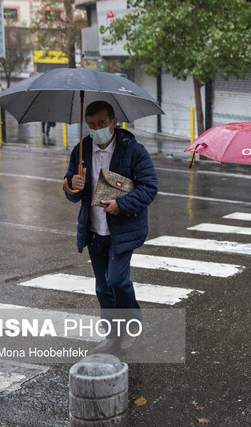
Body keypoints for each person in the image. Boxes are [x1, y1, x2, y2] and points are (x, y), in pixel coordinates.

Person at [63, 100, 158, 353]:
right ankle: (112, 334)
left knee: (116, 280)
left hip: (122, 230)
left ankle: (131, 326)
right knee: (102, 285)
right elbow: (70, 191)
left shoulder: (133, 151)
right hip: (94, 229)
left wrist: (122, 204)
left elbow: (150, 188)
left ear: (114, 122)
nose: (97, 129)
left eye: (102, 124)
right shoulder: (81, 151)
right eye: (92, 125)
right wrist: (74, 184)